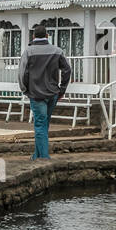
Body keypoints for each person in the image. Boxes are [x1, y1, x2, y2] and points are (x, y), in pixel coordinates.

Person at [18, 24, 72, 161]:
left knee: (40, 124)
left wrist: (25, 89)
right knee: (44, 124)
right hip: (53, 93)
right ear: (47, 36)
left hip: (36, 95)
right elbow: (67, 70)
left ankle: (43, 158)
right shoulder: (57, 51)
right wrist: (62, 89)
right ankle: (36, 155)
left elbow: (22, 73)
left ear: (33, 36)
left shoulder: (28, 51)